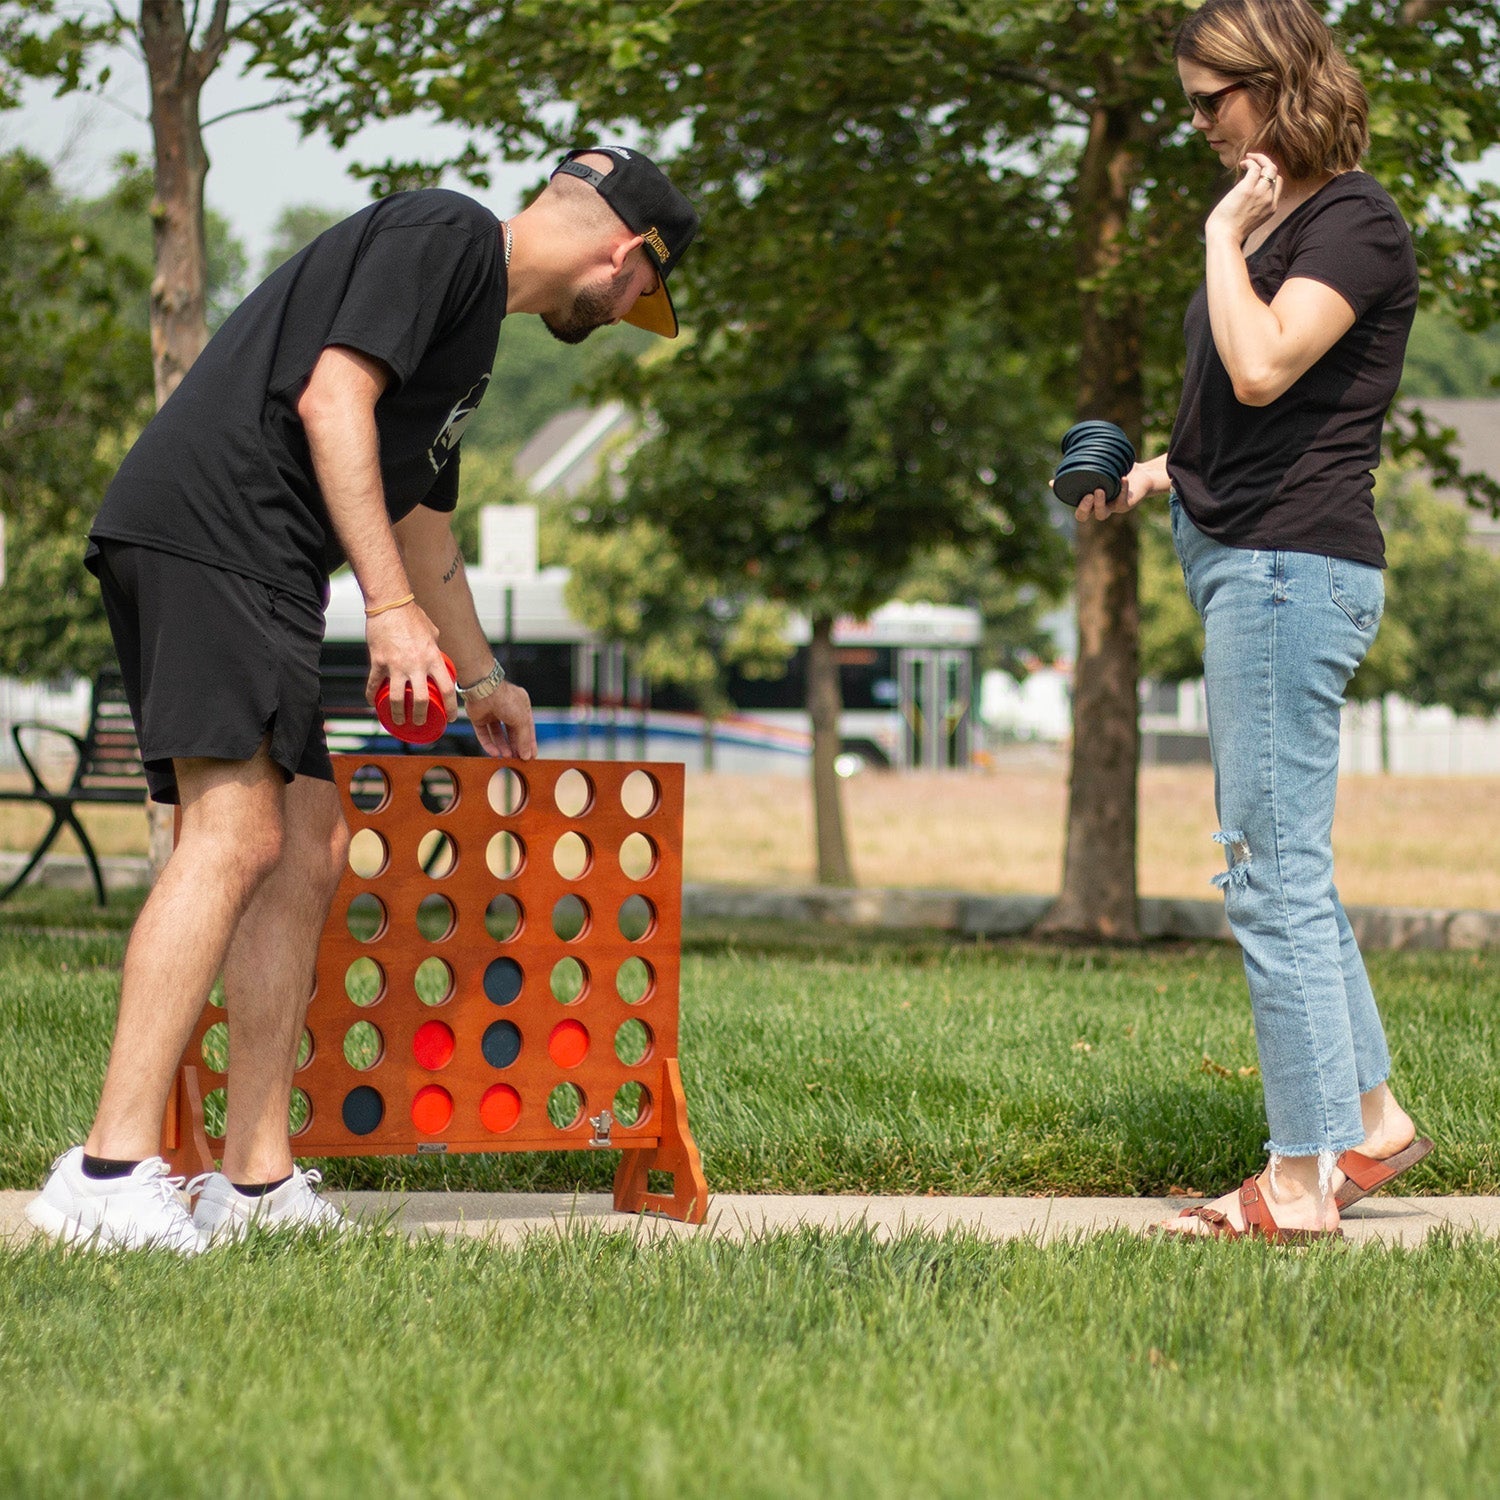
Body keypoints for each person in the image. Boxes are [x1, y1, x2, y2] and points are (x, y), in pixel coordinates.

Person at [27, 146, 700, 1253]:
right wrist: (387, 613)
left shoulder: (472, 330)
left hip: (260, 557)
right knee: (233, 832)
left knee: (305, 841)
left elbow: (421, 519)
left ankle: (251, 1182)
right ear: (626, 256)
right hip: (218, 531)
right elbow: (332, 394)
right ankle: (105, 1171)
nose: (629, 311)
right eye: (641, 295)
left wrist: (481, 677)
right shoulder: (444, 233)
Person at [1076, 0, 1431, 1241]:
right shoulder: (1284, 223)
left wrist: (1227, 230)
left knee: (1267, 878)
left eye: (1209, 102)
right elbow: (1244, 415)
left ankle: (1297, 1182)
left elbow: (1270, 364)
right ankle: (1372, 1123)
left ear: (1274, 82)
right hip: (1249, 555)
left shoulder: (1353, 220)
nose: (1199, 129)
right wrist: (1159, 473)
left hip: (1291, 570)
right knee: (1290, 869)